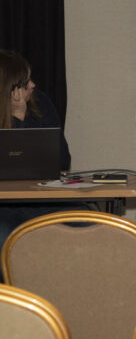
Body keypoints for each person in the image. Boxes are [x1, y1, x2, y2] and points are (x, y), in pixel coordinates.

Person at [0, 50, 75, 281]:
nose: (32, 85)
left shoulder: (41, 103)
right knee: (5, 238)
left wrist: (23, 119)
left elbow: (63, 161)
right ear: (8, 89)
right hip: (4, 208)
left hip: (44, 202)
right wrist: (16, 119)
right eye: (25, 83)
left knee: (84, 223)